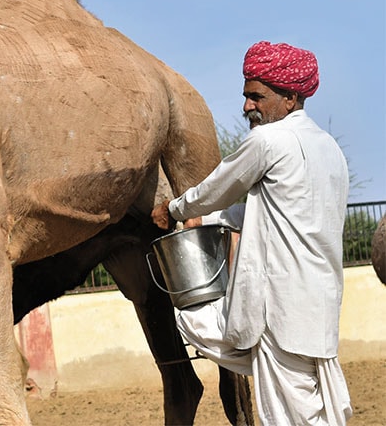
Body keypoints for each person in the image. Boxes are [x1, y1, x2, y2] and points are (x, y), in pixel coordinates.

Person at [151, 40, 352, 425]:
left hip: (279, 310)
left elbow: (215, 188)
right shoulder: (330, 150)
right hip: (319, 310)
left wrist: (175, 210)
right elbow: (275, 211)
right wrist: (208, 222)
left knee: (292, 418)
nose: (247, 107)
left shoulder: (267, 141)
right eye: (247, 97)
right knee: (314, 409)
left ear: (290, 97)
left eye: (256, 97)